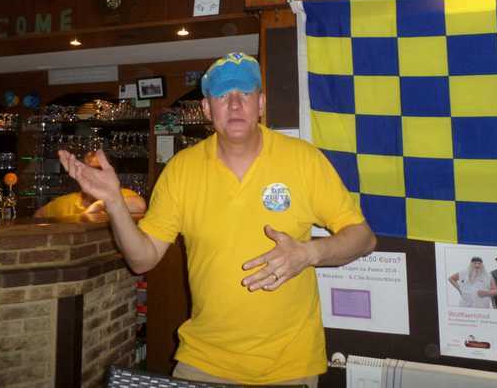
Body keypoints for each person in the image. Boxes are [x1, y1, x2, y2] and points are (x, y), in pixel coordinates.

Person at [57, 52, 376, 387]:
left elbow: (363, 237)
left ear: (261, 104)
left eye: (245, 93)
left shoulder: (303, 160)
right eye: (223, 95)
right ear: (207, 109)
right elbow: (141, 260)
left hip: (289, 367)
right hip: (202, 362)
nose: (235, 104)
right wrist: (114, 203)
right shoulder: (181, 170)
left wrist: (309, 253)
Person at [34, 151, 146, 221]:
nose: (92, 174)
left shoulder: (119, 194)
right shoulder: (67, 202)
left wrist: (100, 205)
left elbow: (140, 205)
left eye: (98, 169)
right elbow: (39, 215)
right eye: (87, 169)